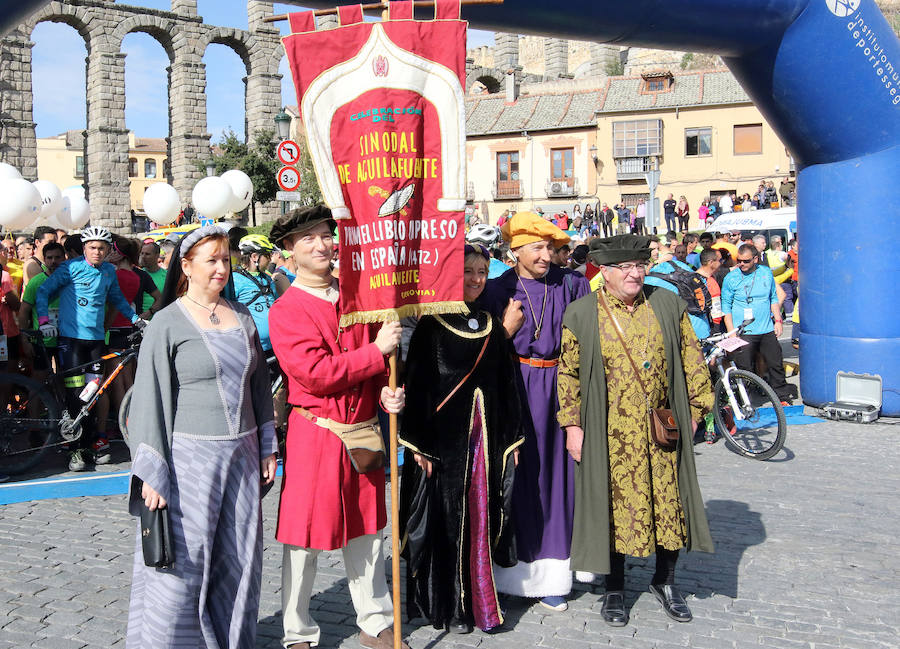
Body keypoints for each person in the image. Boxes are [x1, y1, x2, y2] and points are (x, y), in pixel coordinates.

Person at [125, 225, 278, 648]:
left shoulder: (243, 316)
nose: (221, 268)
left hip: (243, 460)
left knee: (239, 557)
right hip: (189, 461)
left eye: (225, 259)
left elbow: (259, 386)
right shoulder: (166, 323)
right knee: (184, 564)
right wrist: (152, 473)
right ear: (186, 267)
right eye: (210, 260)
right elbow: (150, 399)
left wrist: (267, 444)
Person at [267, 205, 409, 649]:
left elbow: (385, 361)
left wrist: (390, 388)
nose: (322, 244)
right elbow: (315, 374)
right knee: (303, 537)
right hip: (317, 433)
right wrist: (376, 353)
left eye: (326, 235)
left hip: (365, 427)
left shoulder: (359, 297)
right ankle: (297, 630)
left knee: (369, 532)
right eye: (308, 238)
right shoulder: (286, 310)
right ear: (289, 250)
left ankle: (375, 620)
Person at [557, 234, 715, 627]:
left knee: (668, 502)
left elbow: (692, 357)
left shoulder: (666, 304)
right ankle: (614, 587)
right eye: (625, 267)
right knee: (613, 506)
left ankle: (666, 581)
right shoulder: (581, 314)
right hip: (609, 430)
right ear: (604, 273)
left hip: (662, 426)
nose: (634, 273)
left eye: (639, 266)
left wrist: (697, 409)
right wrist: (572, 425)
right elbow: (569, 374)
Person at [399, 244, 525, 634]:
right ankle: (445, 604)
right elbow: (418, 388)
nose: (474, 279)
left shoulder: (492, 323)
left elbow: (507, 388)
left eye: (481, 272)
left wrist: (511, 442)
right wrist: (420, 443)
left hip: (483, 446)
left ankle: (478, 602)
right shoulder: (431, 327)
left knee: (479, 520)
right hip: (442, 447)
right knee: (443, 520)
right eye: (467, 270)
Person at [478, 211, 590, 612]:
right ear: (515, 251)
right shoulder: (494, 290)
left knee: (555, 479)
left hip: (559, 390)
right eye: (538, 248)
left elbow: (586, 343)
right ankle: (505, 569)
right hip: (512, 390)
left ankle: (553, 574)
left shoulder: (572, 285)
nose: (547, 255)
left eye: (550, 247)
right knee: (513, 477)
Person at [36, 226, 145, 471]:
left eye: (102, 248)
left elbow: (117, 299)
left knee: (93, 393)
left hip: (96, 340)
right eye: (92, 247)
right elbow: (43, 292)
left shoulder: (108, 271)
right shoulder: (70, 268)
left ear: (108, 251)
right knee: (75, 394)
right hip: (71, 341)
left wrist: (136, 319)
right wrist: (44, 322)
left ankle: (90, 443)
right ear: (84, 248)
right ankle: (74, 448)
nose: (97, 252)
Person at [720, 244, 793, 403]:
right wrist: (731, 332)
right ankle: (745, 400)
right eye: (738, 260)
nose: (741, 264)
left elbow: (773, 298)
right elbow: (726, 307)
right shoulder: (731, 278)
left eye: (745, 261)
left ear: (755, 259)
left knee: (775, 363)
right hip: (743, 330)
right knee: (745, 367)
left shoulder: (765, 272)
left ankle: (782, 396)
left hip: (766, 328)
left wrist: (778, 320)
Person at [19, 241, 66, 379]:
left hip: (66, 339)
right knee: (39, 380)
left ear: (64, 258)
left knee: (65, 379)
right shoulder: (36, 282)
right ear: (44, 260)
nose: (53, 261)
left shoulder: (71, 281)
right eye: (49, 258)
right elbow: (23, 312)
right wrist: (25, 340)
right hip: (42, 341)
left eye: (57, 257)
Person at [233, 234, 279, 354]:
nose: (270, 259)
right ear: (254, 257)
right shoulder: (235, 280)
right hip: (254, 349)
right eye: (267, 255)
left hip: (276, 344)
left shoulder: (267, 278)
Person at [139, 240, 167, 317]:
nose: (143, 257)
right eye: (142, 253)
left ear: (157, 255)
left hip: (161, 320)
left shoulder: (167, 276)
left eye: (147, 254)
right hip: (141, 322)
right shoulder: (138, 275)